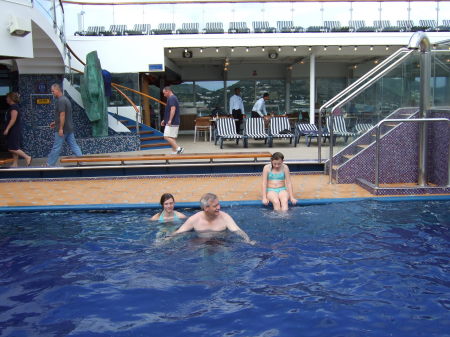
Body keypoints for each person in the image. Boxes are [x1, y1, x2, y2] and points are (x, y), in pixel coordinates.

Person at [167, 193, 255, 245]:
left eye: (218, 204)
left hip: (222, 243)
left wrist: (248, 240)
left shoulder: (225, 217)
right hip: (201, 244)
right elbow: (179, 232)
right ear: (206, 208)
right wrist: (165, 240)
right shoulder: (194, 219)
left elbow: (237, 230)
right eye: (215, 206)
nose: (219, 207)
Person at [46, 83, 83, 167]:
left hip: (63, 129)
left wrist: (60, 128)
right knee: (74, 146)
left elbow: (62, 115)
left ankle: (49, 165)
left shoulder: (61, 101)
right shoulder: (66, 99)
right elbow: (64, 116)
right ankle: (82, 162)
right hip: (69, 128)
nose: (52, 93)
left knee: (56, 147)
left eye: (53, 91)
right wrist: (55, 122)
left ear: (57, 90)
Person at [3, 92, 32, 167]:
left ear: (11, 98)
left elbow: (13, 120)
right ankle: (15, 164)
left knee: (12, 148)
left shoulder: (14, 108)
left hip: (14, 130)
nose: (6, 99)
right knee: (14, 147)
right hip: (13, 130)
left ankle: (27, 157)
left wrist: (7, 129)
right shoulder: (13, 107)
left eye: (7, 97)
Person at [162, 86, 184, 155]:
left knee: (166, 136)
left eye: (164, 93)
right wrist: (164, 120)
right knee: (172, 137)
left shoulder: (171, 98)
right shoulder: (173, 98)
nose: (164, 95)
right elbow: (169, 111)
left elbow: (173, 109)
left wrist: (170, 120)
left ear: (168, 91)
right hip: (174, 121)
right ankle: (174, 151)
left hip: (172, 122)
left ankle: (178, 148)